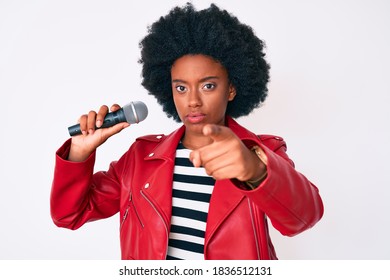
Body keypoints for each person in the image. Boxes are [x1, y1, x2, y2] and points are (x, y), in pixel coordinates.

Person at [50, 3, 323, 260]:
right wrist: (78, 154)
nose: (192, 100)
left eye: (208, 86)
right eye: (181, 87)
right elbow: (69, 215)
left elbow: (303, 218)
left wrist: (255, 170)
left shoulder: (261, 152)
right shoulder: (141, 158)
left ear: (231, 88)